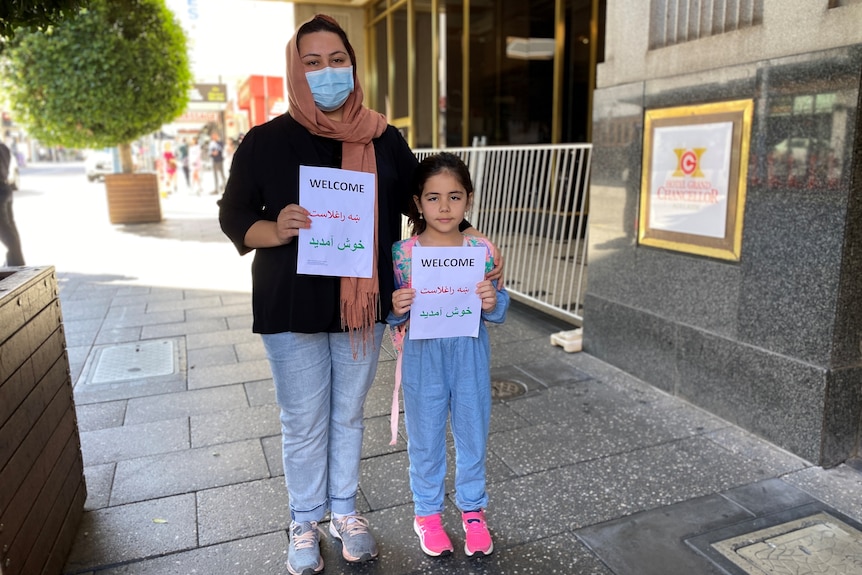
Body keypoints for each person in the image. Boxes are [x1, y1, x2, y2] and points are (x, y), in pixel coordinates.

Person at [218, 14, 502, 575]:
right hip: (290, 305)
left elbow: (422, 202)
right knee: (303, 420)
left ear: (353, 64)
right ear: (296, 72)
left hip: (363, 310)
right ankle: (303, 519)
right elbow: (233, 215)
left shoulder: (382, 137)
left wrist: (469, 241)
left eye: (338, 60)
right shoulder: (265, 141)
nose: (328, 73)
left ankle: (345, 512)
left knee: (347, 415)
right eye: (313, 63)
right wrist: (275, 229)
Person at [387, 152, 508, 559]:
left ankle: (473, 511)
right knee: (425, 438)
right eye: (433, 198)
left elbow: (498, 307)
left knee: (473, 432)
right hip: (423, 356)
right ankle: (428, 515)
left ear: (468, 200)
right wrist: (396, 307)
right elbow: (389, 315)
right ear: (418, 203)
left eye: (454, 197)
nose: (444, 207)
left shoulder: (482, 250)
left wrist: (492, 301)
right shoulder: (403, 254)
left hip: (470, 353)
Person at [0, 141, 24, 266]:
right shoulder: (3, 147)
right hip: (5, 188)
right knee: (10, 229)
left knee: (5, 231)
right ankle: (17, 262)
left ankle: (16, 264)